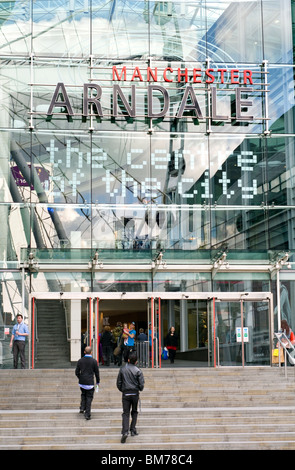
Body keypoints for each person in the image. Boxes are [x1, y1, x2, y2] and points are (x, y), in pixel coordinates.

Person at [116, 351, 145, 443]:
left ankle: (125, 431)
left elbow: (118, 383)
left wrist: (123, 390)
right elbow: (141, 384)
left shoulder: (122, 369)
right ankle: (133, 429)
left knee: (126, 413)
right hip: (135, 393)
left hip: (126, 393)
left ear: (128, 360)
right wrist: (138, 389)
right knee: (134, 411)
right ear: (136, 361)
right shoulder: (138, 371)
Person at [75, 346, 100, 420]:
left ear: (84, 352)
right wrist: (98, 381)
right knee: (89, 397)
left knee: (83, 394)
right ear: (91, 352)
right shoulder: (94, 361)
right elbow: (97, 373)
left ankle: (82, 407)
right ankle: (87, 414)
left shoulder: (80, 361)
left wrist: (80, 377)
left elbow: (76, 372)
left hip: (82, 381)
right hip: (90, 382)